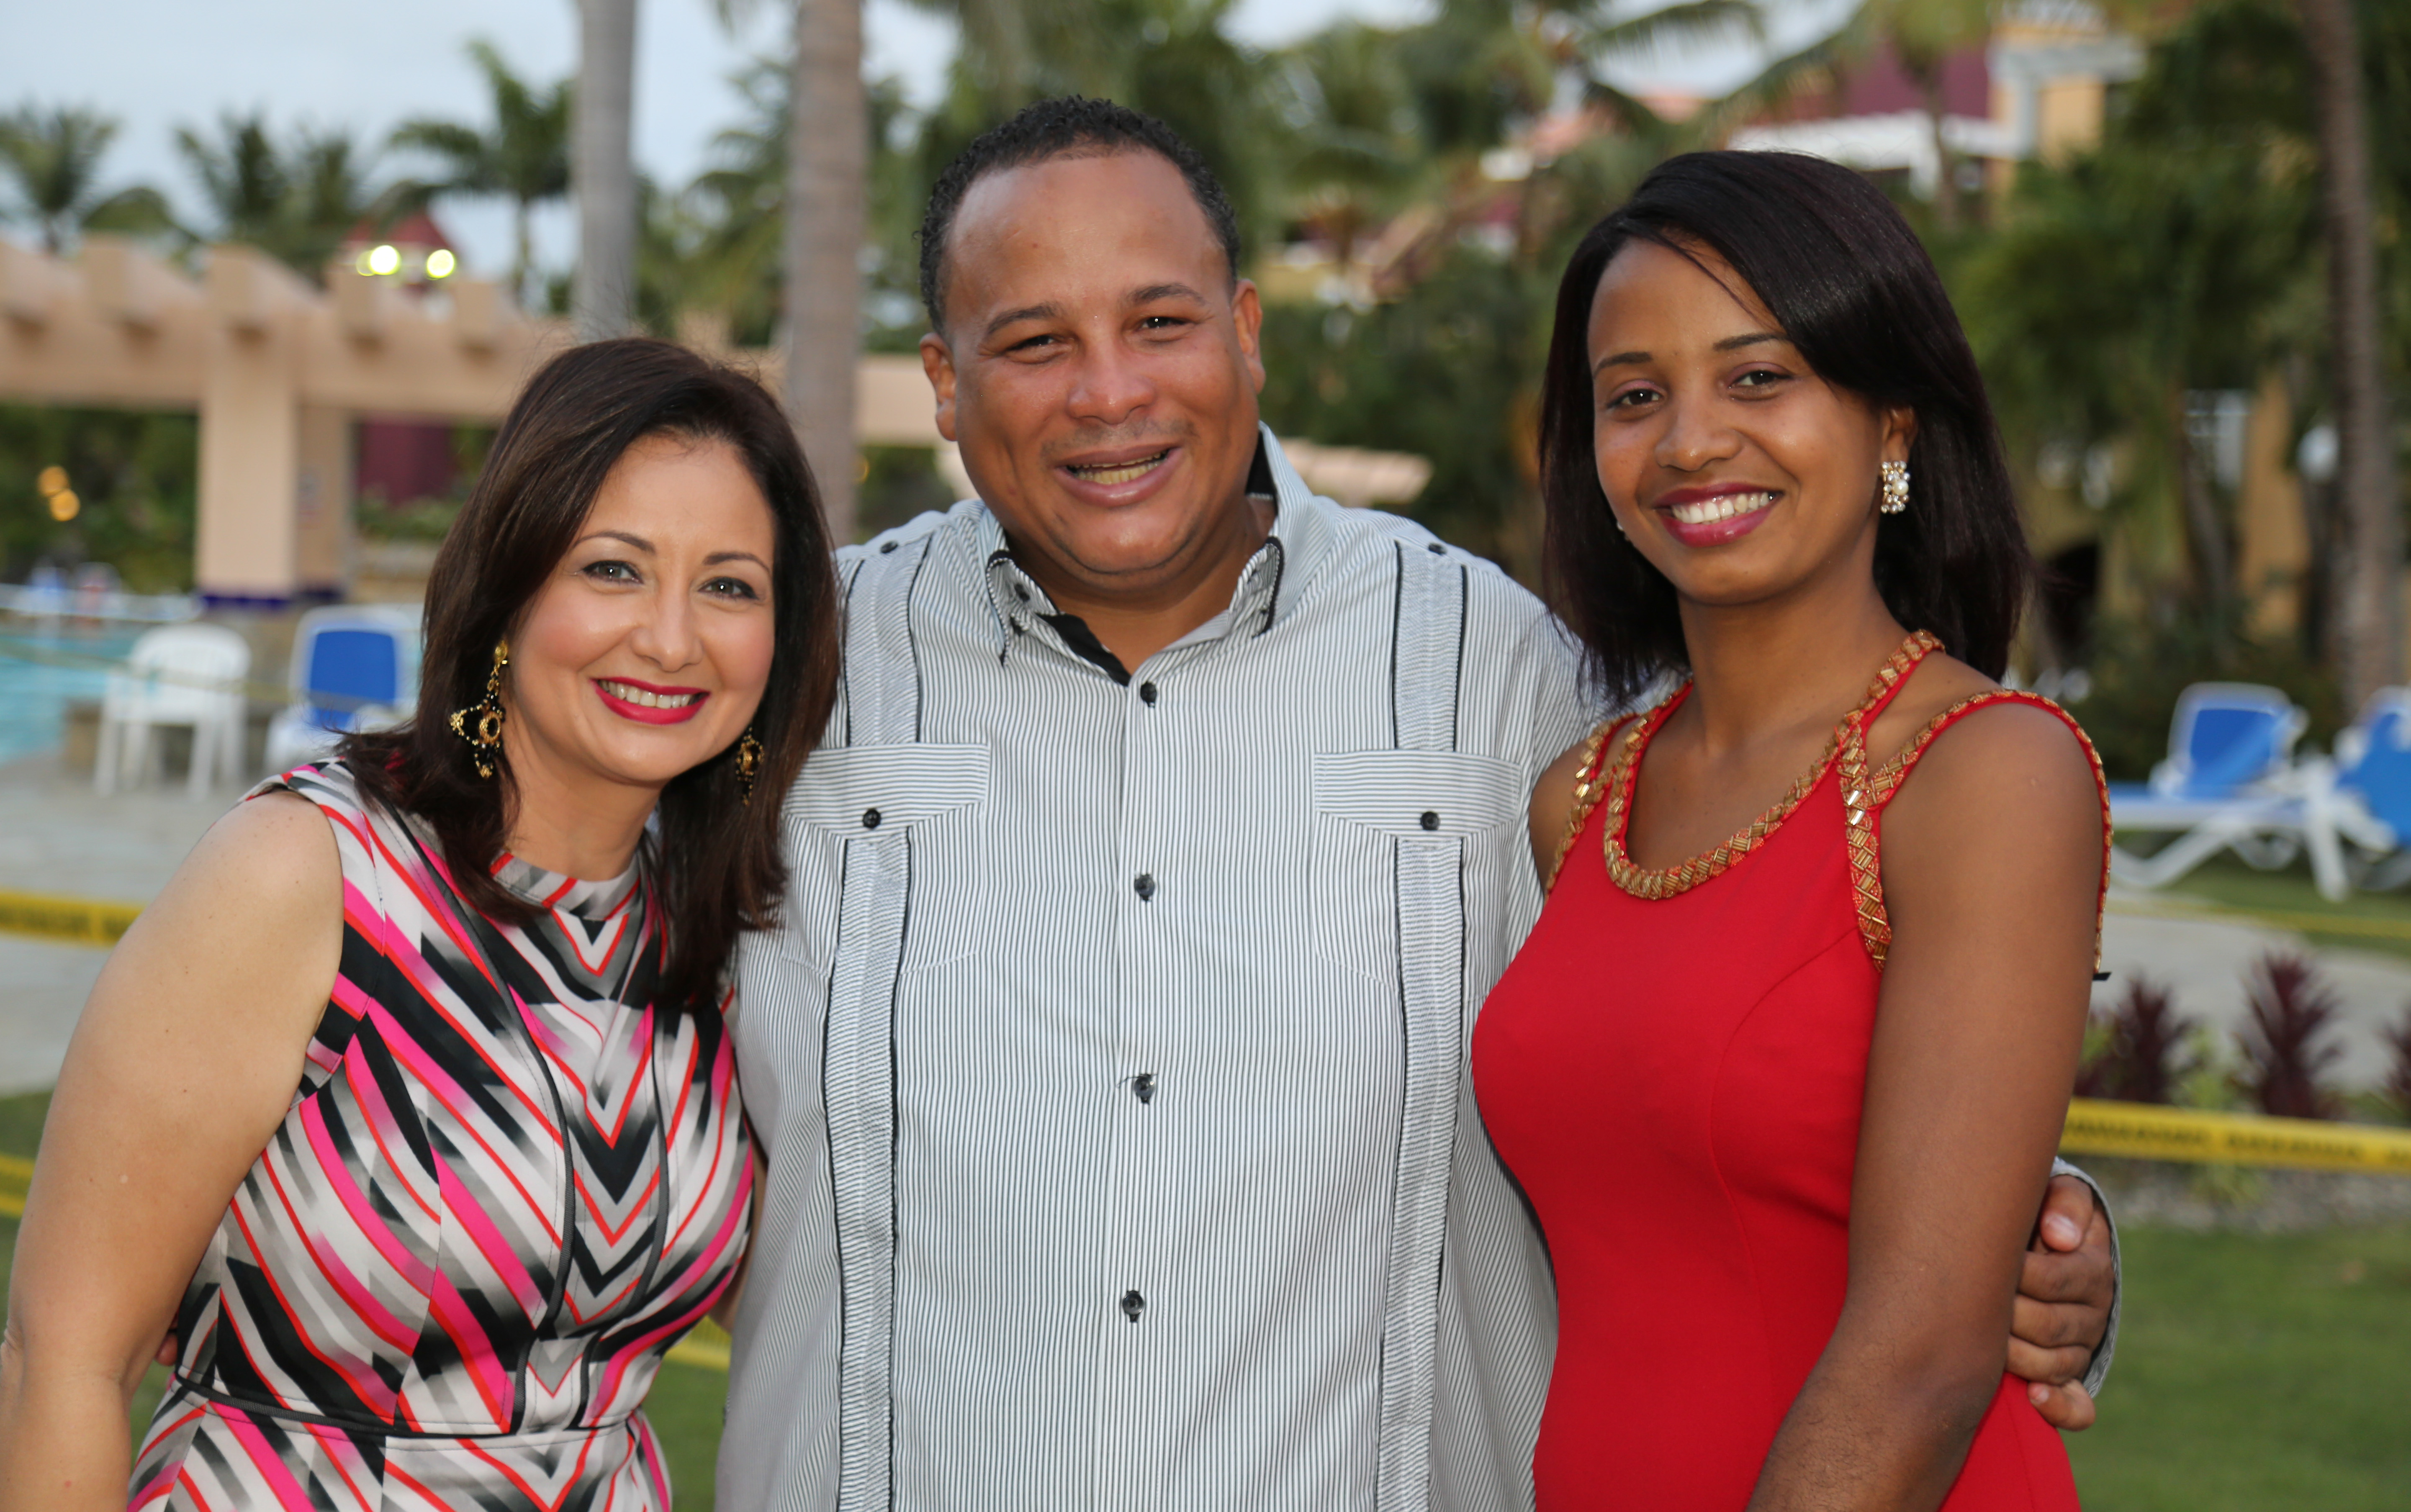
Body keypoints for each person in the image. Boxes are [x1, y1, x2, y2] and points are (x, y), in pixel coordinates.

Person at [715, 98, 2118, 1512]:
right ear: (944, 380)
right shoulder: (782, 670)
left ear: (1246, 331)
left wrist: (2031, 1217)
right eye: (1034, 342)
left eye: (1159, 323)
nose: (1109, 392)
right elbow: (597, 1001)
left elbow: (1758, 980)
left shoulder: (1501, 677)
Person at [0, 340, 842, 1510]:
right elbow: (65, 1365)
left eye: (730, 586)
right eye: (613, 568)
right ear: (509, 588)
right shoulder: (307, 874)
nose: (670, 637)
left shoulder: (715, 935)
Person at [1473, 150, 2107, 1510]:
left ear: (1893, 427)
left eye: (1759, 377)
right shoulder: (1580, 803)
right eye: (1634, 396)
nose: (1692, 440)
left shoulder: (1986, 772)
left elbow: (1921, 1363)